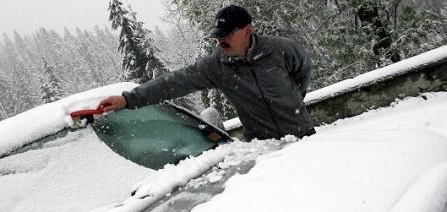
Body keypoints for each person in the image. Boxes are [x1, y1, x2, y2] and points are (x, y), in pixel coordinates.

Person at [99, 5, 315, 141]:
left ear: (248, 30)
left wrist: (295, 100)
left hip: (305, 139)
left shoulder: (282, 49)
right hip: (265, 148)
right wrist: (128, 99)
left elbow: (303, 73)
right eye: (218, 35)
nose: (221, 41)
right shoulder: (217, 67)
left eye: (227, 34)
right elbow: (173, 82)